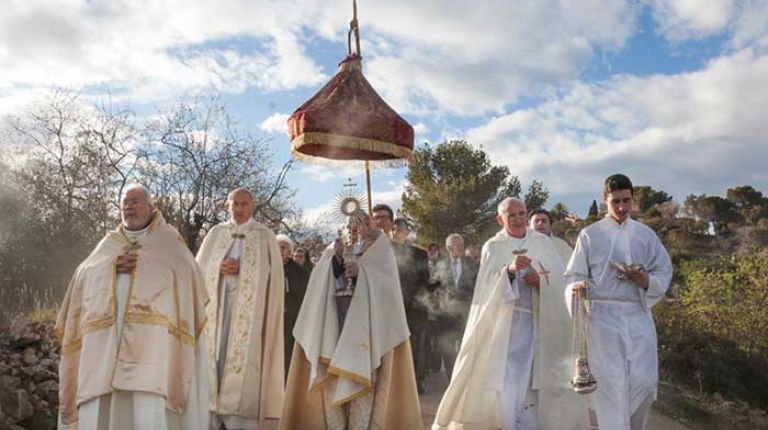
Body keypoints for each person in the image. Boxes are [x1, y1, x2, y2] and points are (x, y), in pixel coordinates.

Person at [56, 184, 209, 429]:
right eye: (125, 202)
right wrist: (111, 267)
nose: (129, 206)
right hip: (105, 347)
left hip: (153, 349)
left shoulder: (170, 242)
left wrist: (144, 264)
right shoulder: (109, 244)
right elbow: (81, 276)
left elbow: (189, 278)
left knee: (145, 409)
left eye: (136, 201)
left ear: (150, 207)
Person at [433, 198, 588, 430]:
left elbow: (558, 281)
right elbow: (486, 289)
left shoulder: (543, 244)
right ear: (500, 219)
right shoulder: (493, 247)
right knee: (506, 381)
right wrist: (510, 272)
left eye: (521, 213)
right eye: (511, 215)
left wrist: (540, 282)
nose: (518, 219)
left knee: (535, 382)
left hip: (539, 323)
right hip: (504, 328)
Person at [280, 210, 422, 429]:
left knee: (362, 392)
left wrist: (362, 272)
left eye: (360, 224)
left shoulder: (380, 250)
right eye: (350, 225)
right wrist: (334, 259)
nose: (354, 229)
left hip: (366, 333)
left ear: (368, 226)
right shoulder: (333, 249)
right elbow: (318, 285)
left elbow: (388, 288)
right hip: (334, 327)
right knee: (333, 386)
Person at [564, 174, 673, 430]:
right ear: (605, 200)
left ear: (632, 199)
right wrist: (577, 288)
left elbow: (664, 270)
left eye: (626, 201)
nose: (622, 208)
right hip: (602, 317)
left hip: (637, 313)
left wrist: (645, 280)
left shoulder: (645, 234)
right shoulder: (590, 235)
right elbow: (573, 275)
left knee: (645, 384)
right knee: (611, 386)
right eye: (616, 202)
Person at [196, 188, 284, 430]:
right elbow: (199, 270)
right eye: (235, 204)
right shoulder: (216, 233)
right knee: (214, 352)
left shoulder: (264, 235)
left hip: (248, 312)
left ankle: (239, 418)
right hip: (217, 305)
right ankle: (210, 411)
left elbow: (271, 276)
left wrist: (242, 269)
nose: (239, 209)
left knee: (243, 357)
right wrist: (218, 269)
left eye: (244, 204)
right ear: (228, 206)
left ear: (252, 206)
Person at [429, 233, 477, 381]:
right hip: (445, 315)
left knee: (466, 347)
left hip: (465, 313)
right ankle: (452, 380)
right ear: (449, 248)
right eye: (458, 245)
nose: (462, 247)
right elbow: (433, 288)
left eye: (462, 245)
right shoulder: (439, 264)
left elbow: (477, 286)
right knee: (448, 349)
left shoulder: (471, 263)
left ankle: (465, 379)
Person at [390, 217, 430, 393]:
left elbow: (424, 281)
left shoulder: (419, 254)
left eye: (400, 229)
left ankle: (415, 382)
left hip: (414, 308)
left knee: (414, 346)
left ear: (407, 232)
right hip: (390, 307)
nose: (396, 232)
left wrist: (420, 301)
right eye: (394, 229)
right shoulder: (383, 252)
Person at [276, 234, 310, 379]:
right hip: (272, 316)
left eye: (283, 247)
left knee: (286, 353)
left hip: (291, 317)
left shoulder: (299, 271)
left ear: (289, 252)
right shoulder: (267, 265)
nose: (280, 250)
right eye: (277, 247)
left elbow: (302, 294)